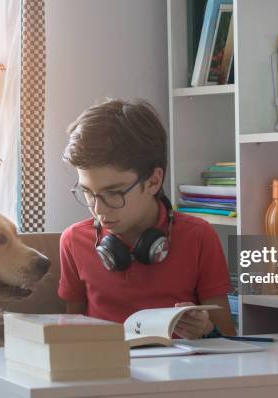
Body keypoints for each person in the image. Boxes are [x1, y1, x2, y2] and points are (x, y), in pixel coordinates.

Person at [58, 98, 236, 339]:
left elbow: (227, 338)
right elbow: (70, 338)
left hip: (180, 372)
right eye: (88, 192)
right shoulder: (74, 241)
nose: (98, 209)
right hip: (104, 371)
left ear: (153, 181)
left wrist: (206, 330)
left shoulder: (198, 236)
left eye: (114, 193)